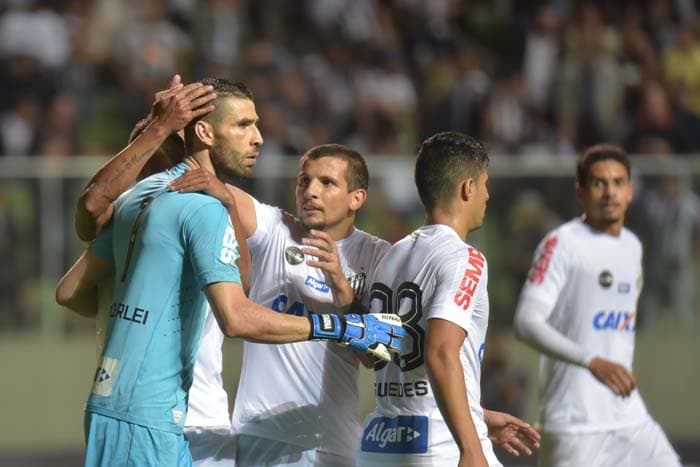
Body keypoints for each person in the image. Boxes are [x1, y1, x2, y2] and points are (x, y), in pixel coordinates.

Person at [56, 77, 405, 467]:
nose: (257, 138)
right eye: (243, 126)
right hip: (169, 415)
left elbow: (71, 282)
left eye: (326, 182)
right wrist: (338, 326)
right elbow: (237, 314)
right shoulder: (208, 211)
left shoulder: (138, 201)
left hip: (130, 406)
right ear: (201, 134)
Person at [170, 143, 390, 466]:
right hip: (263, 437)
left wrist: (342, 289)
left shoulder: (376, 256)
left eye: (327, 183)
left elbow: (376, 357)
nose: (310, 191)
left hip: (335, 442)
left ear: (356, 198)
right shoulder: (275, 229)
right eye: (304, 180)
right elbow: (216, 187)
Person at [357, 132, 540, 467]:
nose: (487, 194)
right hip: (438, 446)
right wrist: (470, 446)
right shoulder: (464, 258)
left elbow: (382, 356)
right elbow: (440, 351)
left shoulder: (392, 256)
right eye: (484, 183)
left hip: (381, 444)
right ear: (468, 188)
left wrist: (476, 414)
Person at [513, 143, 681, 467]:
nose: (609, 193)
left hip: (628, 417)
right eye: (598, 183)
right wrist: (592, 361)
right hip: (574, 424)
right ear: (580, 191)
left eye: (618, 183)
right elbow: (525, 322)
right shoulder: (562, 243)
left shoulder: (632, 246)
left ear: (630, 191)